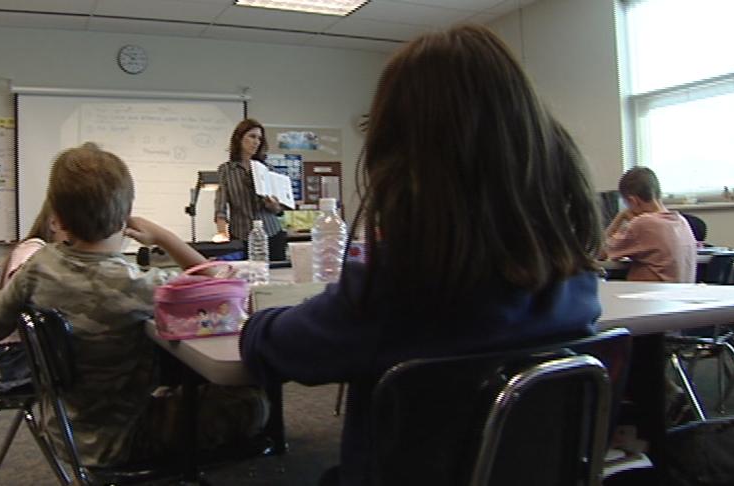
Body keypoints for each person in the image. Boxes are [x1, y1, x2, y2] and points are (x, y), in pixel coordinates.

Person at [239, 24, 603, 485]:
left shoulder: (398, 290)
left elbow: (277, 350)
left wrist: (256, 322)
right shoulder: (577, 281)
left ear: (400, 152)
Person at [0, 142, 268, 467]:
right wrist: (163, 236)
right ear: (125, 215)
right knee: (250, 399)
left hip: (63, 429)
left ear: (56, 218)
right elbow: (220, 287)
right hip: (127, 438)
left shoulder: (37, 266)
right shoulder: (142, 285)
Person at [0, 201, 68, 381]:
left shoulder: (43, 251)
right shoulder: (32, 250)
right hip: (22, 354)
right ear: (54, 223)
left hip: (31, 349)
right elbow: (30, 293)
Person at [604, 166, 697, 282]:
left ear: (633, 201)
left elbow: (601, 252)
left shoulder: (643, 223)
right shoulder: (682, 221)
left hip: (647, 292)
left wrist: (620, 217)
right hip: (678, 292)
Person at [214, 119, 287, 261]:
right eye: (252, 136)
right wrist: (222, 234)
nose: (256, 142)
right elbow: (220, 207)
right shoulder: (226, 170)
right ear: (239, 138)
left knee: (276, 273)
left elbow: (278, 210)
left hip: (271, 234)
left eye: (259, 138)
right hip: (241, 236)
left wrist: (274, 206)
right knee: (244, 273)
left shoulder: (268, 170)